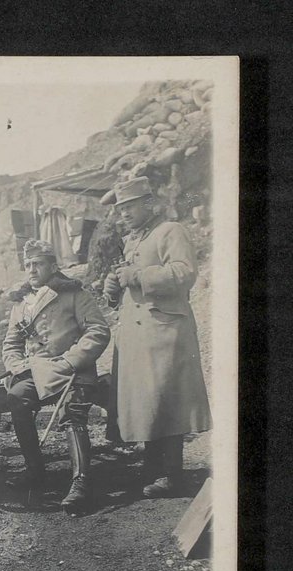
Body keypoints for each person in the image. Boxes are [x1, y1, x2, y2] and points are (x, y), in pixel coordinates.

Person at [101, 176, 212, 498]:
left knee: (167, 400)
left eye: (130, 206)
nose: (124, 213)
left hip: (165, 331)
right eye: (121, 208)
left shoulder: (170, 231)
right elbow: (129, 288)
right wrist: (112, 289)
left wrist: (137, 276)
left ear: (149, 204)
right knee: (148, 401)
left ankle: (171, 475)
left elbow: (184, 272)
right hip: (140, 334)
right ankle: (153, 470)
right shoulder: (133, 240)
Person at [2, 239, 111, 512]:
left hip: (73, 371)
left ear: (53, 266)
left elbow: (98, 331)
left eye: (38, 264)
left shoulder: (73, 294)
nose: (31, 270)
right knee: (16, 397)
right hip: (38, 372)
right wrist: (18, 366)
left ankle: (81, 482)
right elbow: (11, 344)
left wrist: (71, 361)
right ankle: (35, 470)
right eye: (28, 264)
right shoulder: (22, 301)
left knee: (71, 411)